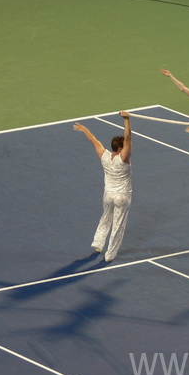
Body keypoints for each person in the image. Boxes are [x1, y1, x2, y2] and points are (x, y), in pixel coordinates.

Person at [73, 112, 132, 263]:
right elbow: (128, 137)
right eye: (123, 146)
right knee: (118, 225)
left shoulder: (104, 156)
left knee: (106, 217)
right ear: (120, 148)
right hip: (122, 196)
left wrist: (85, 129)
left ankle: (98, 243)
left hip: (108, 195)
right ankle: (109, 254)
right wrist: (126, 120)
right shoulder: (123, 158)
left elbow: (94, 140)